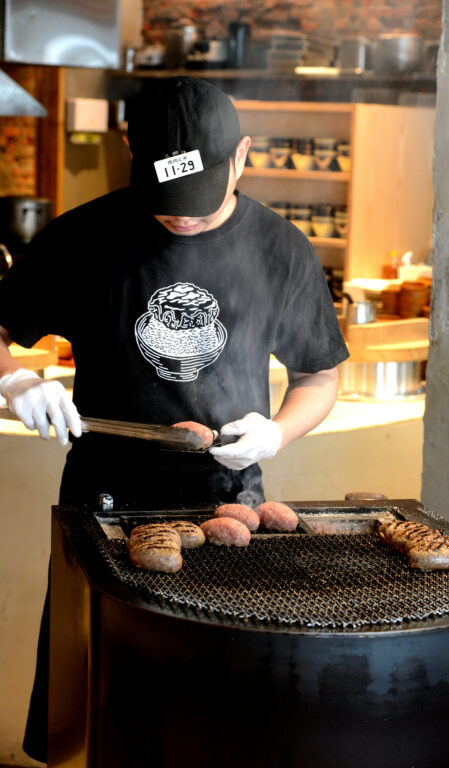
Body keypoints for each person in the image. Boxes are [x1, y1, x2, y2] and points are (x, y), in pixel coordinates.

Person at [0, 76, 349, 762]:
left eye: (198, 198)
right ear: (133, 150)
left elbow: (319, 374)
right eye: (166, 200)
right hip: (101, 502)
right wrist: (15, 379)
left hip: (228, 504)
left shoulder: (280, 249)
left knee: (221, 708)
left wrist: (278, 430)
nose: (182, 218)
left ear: (242, 158)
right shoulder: (84, 237)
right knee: (102, 706)